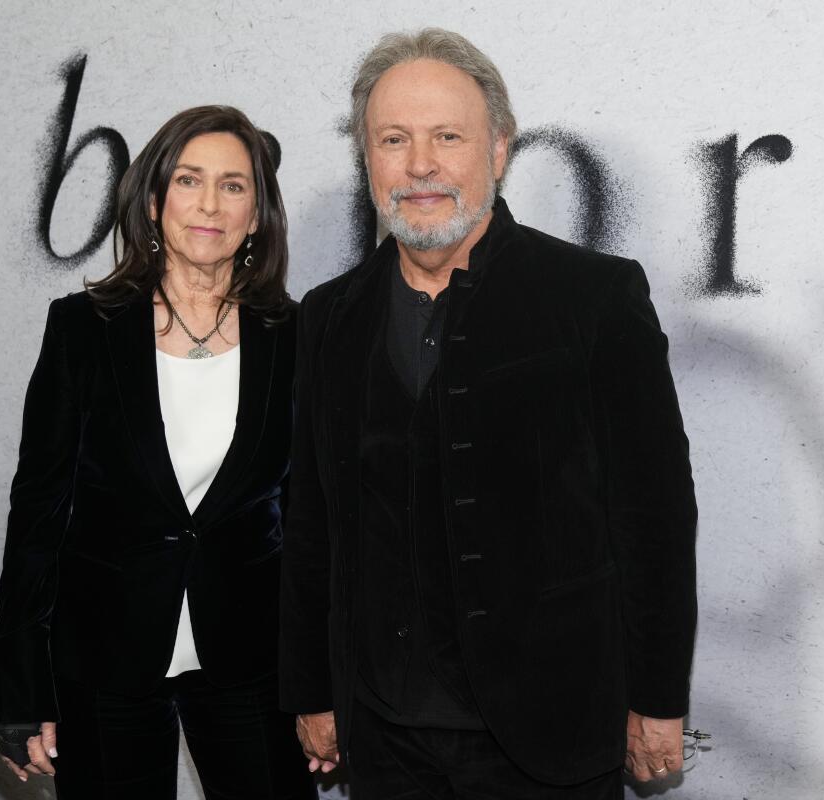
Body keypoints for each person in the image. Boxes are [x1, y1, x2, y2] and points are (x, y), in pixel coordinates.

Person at [279, 29, 698, 799]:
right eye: (393, 139)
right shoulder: (329, 316)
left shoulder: (593, 298)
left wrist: (658, 701)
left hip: (551, 732)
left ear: (498, 150)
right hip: (384, 734)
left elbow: (656, 517)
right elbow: (313, 525)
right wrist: (313, 689)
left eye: (448, 136)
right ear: (367, 158)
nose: (420, 164)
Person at [0, 105, 317, 799]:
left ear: (257, 214)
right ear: (155, 201)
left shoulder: (297, 337)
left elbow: (315, 519)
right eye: (189, 180)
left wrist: (324, 680)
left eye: (233, 185)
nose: (210, 204)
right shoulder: (82, 329)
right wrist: (19, 683)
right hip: (105, 653)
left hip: (253, 655)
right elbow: (39, 509)